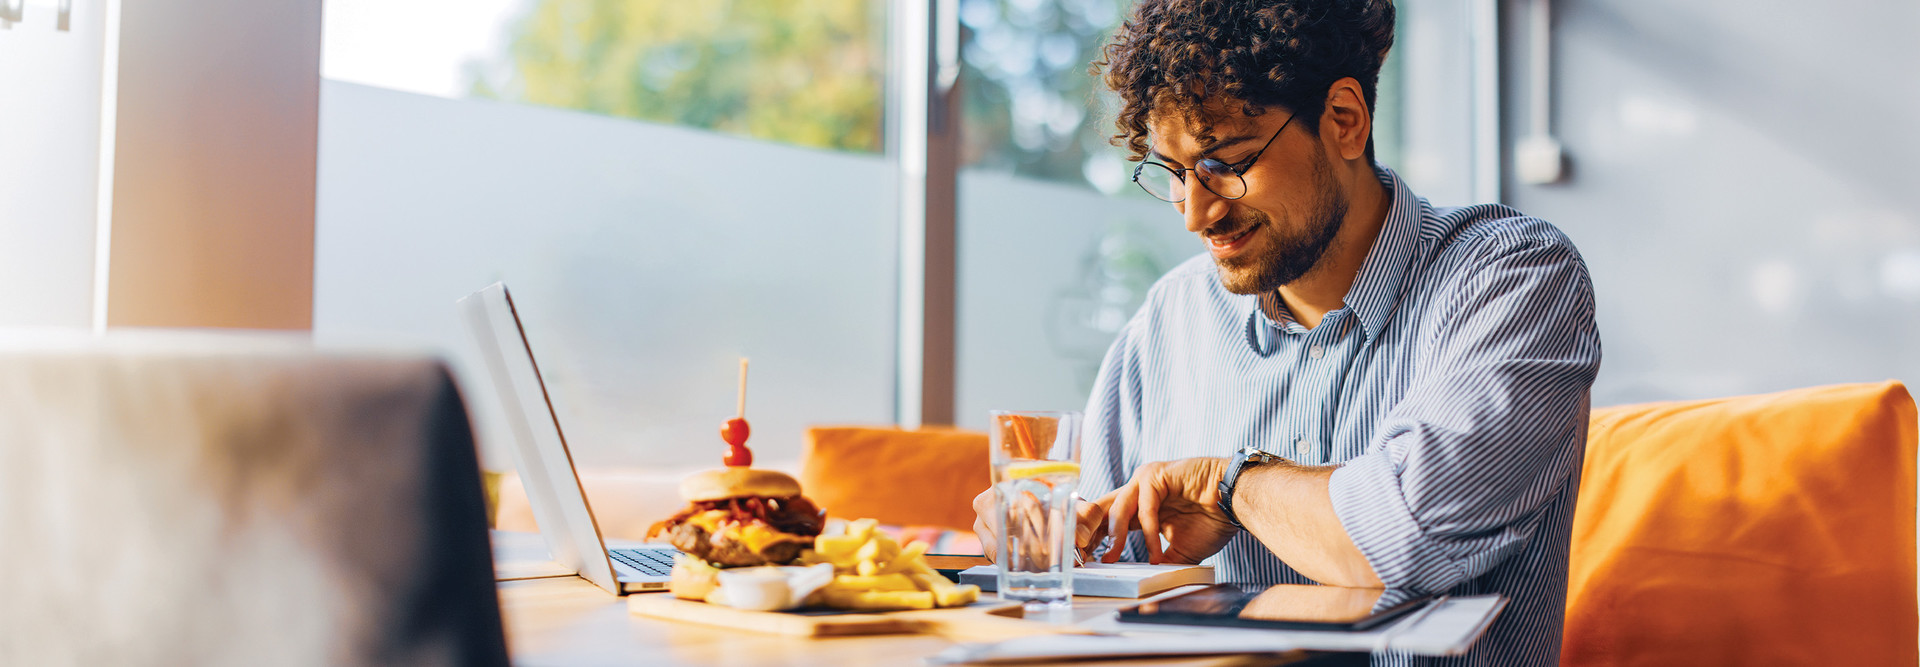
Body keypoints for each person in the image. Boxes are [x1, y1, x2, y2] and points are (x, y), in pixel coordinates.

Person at [971, 0, 1601, 664]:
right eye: (1177, 173)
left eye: (1226, 161)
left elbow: (1405, 536)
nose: (1196, 213)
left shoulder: (1513, 279)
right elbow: (1099, 570)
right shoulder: (1170, 319)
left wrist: (1231, 485)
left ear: (1344, 121)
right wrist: (1046, 533)